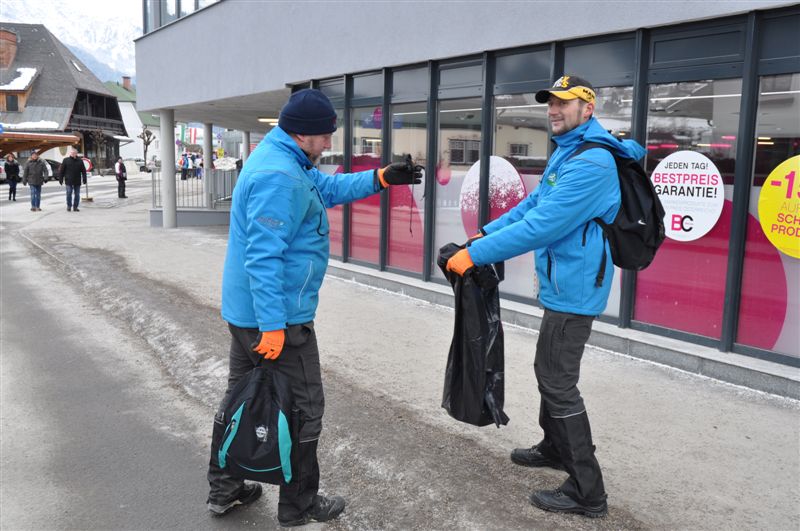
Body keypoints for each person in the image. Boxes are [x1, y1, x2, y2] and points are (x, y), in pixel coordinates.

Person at [206, 88, 422, 526]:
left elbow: (325, 188)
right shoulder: (280, 176)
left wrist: (380, 178)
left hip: (247, 313)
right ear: (303, 135)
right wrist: (273, 326)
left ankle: (224, 489)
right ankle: (299, 506)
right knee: (303, 411)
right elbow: (263, 258)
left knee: (237, 402)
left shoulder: (286, 161)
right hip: (275, 319)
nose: (329, 143)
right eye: (325, 136)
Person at [445, 75, 646, 519]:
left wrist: (474, 256)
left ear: (587, 109)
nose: (553, 110)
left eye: (564, 103)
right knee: (548, 369)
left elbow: (544, 227)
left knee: (557, 379)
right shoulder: (569, 153)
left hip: (576, 290)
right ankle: (555, 447)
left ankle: (587, 490)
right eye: (550, 104)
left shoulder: (593, 164)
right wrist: (484, 233)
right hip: (562, 283)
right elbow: (531, 207)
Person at [59, 147, 87, 212]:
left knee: (77, 194)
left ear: (76, 154)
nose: (73, 154)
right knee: (69, 193)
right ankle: (69, 206)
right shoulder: (65, 160)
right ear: (70, 153)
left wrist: (84, 178)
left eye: (74, 153)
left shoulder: (80, 160)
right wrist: (60, 179)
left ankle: (75, 207)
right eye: (72, 153)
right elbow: (61, 171)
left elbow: (83, 171)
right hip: (68, 180)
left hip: (77, 180)